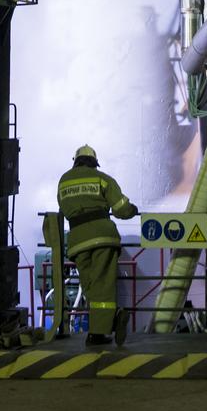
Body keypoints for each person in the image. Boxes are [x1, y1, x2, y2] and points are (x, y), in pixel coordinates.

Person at [57, 145, 138, 347]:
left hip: (77, 241)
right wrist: (133, 210)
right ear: (94, 162)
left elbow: (63, 207)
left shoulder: (63, 181)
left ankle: (104, 326)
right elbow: (121, 209)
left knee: (91, 287)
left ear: (75, 161)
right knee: (104, 286)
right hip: (103, 237)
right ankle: (101, 330)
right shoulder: (103, 179)